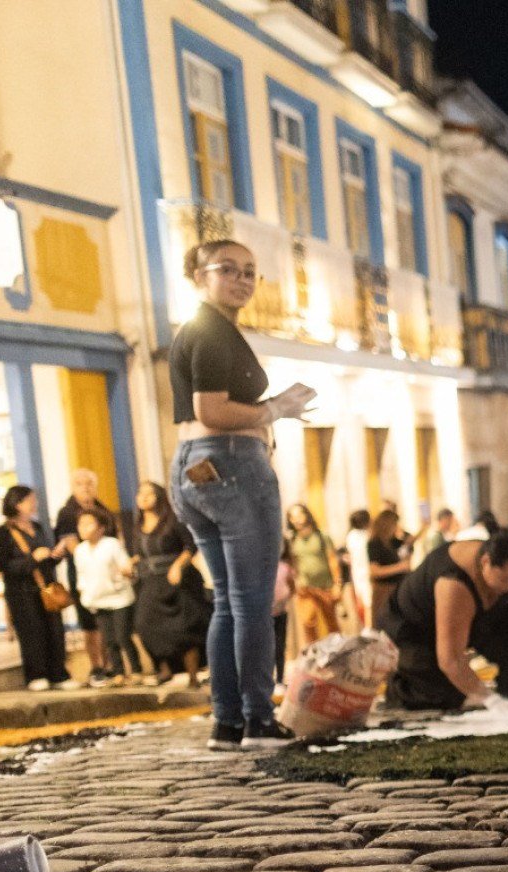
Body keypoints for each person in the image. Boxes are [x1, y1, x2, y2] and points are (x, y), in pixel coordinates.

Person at [169, 239, 315, 749]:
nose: (243, 280)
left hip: (194, 468)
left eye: (251, 272)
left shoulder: (203, 330)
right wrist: (276, 408)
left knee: (229, 604)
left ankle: (227, 722)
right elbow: (212, 409)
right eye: (227, 269)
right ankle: (256, 718)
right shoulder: (211, 332)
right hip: (230, 463)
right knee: (253, 603)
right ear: (198, 276)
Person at [380, 527, 508, 710]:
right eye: (505, 579)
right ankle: (401, 684)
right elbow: (450, 660)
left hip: (472, 619)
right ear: (485, 562)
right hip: (416, 628)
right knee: (443, 694)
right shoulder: (454, 585)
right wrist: (489, 699)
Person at [0, 485, 77, 691]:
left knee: (55, 630)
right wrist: (32, 559)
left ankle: (58, 673)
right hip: (21, 591)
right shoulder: (2, 533)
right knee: (32, 632)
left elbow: (44, 557)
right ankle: (35, 675)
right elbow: (1, 565)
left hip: (46, 587)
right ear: (16, 504)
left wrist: (54, 555)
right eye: (29, 500)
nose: (34, 504)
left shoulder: (38, 527)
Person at [131, 481, 208, 687]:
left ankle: (192, 675)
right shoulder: (138, 525)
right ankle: (164, 669)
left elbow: (190, 546)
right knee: (144, 624)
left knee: (183, 627)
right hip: (151, 581)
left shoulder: (173, 521)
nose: (144, 498)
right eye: (141, 494)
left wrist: (178, 566)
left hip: (176, 580)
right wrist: (132, 563)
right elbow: (140, 553)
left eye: (149, 494)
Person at [54, 468, 118, 686]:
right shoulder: (67, 512)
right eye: (80, 483)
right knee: (90, 624)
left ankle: (111, 665)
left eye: (89, 483)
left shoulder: (102, 510)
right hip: (84, 573)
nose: (85, 488)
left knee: (108, 622)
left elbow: (116, 536)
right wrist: (91, 559)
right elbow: (71, 544)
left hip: (108, 574)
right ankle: (96, 666)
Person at [71, 508, 139, 687]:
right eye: (81, 524)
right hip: (97, 600)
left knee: (123, 636)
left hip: (120, 598)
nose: (84, 528)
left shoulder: (112, 544)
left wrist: (127, 573)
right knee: (109, 640)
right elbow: (81, 576)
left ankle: (137, 670)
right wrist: (85, 595)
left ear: (101, 528)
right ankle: (119, 672)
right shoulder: (80, 550)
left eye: (89, 523)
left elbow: (126, 567)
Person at [284, 503, 342, 648]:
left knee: (332, 623)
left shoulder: (322, 537)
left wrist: (337, 584)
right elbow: (293, 563)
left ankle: (338, 652)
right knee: (308, 623)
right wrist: (294, 583)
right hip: (305, 588)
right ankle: (313, 656)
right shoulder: (292, 540)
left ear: (307, 515)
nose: (296, 519)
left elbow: (332, 560)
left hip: (326, 586)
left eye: (299, 515)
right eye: (292, 517)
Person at [366, 509, 412, 625]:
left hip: (397, 589)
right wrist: (400, 567)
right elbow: (375, 571)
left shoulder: (391, 542)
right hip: (384, 590)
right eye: (395, 524)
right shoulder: (375, 544)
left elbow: (408, 540)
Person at [341, 509, 371, 630]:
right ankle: (369, 628)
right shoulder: (365, 536)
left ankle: (366, 627)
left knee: (363, 603)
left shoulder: (350, 536)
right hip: (366, 573)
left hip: (358, 574)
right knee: (368, 604)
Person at [273, 541, 295, 684]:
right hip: (268, 614)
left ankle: (279, 678)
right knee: (273, 647)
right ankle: (274, 678)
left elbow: (292, 587)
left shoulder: (285, 567)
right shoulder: (264, 567)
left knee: (279, 647)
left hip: (280, 612)